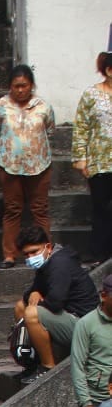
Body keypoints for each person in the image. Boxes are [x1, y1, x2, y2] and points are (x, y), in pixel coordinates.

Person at [0, 65, 56, 267]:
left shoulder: (43, 106)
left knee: (40, 210)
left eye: (24, 86)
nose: (20, 90)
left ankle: (45, 251)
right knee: (12, 209)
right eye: (16, 86)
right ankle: (10, 254)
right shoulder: (0, 106)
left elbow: (50, 130)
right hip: (10, 166)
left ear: (31, 86)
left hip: (39, 165)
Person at [14, 226, 100, 372]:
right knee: (21, 307)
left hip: (85, 325)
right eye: (26, 255)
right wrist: (34, 292)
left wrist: (36, 299)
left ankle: (47, 369)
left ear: (48, 247)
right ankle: (32, 360)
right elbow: (31, 292)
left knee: (31, 313)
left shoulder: (59, 264)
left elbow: (55, 303)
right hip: (68, 317)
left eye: (34, 252)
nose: (30, 258)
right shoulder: (47, 262)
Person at [72, 52, 112, 263]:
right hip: (100, 162)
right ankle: (100, 254)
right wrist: (81, 158)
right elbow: (81, 127)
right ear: (108, 70)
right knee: (101, 209)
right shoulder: (91, 95)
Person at [71, 276, 112, 407]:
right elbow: (77, 366)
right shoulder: (86, 324)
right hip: (98, 401)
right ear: (104, 296)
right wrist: (87, 406)